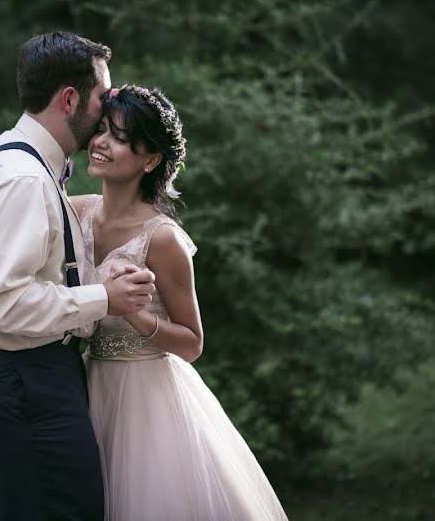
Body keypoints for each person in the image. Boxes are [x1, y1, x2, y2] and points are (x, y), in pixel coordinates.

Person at [0, 33, 157, 521]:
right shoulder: (23, 179)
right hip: (23, 380)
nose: (107, 111)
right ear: (69, 99)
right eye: (103, 97)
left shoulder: (10, 158)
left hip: (16, 377)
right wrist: (101, 298)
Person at [70, 84, 289, 520]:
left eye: (118, 137)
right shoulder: (75, 212)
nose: (100, 143)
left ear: (150, 160)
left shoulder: (162, 238)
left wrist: (134, 314)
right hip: (90, 387)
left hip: (150, 399)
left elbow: (192, 343)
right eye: (101, 131)